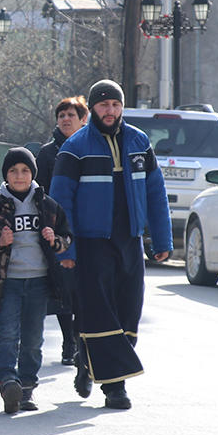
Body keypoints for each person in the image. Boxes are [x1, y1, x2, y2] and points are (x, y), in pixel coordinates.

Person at [49, 79, 171, 410]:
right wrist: (66, 249)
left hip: (128, 241)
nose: (110, 111)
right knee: (101, 313)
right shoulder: (75, 147)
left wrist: (161, 239)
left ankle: (88, 359)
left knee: (129, 311)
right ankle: (115, 387)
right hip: (91, 245)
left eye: (115, 105)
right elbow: (60, 203)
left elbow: (155, 193)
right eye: (104, 105)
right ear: (93, 109)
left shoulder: (139, 142)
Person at [0, 147, 71, 414]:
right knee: (6, 335)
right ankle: (7, 383)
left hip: (38, 281)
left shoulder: (47, 206)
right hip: (7, 283)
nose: (19, 176)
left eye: (25, 171)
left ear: (33, 174)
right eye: (14, 171)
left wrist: (55, 239)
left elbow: (66, 237)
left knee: (32, 339)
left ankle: (26, 388)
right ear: (6, 175)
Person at [32, 96, 89, 366]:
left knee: (83, 290)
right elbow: (38, 192)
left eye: (71, 115)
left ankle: (80, 340)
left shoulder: (92, 149)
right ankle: (69, 342)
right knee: (64, 288)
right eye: (62, 115)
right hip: (58, 230)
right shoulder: (47, 153)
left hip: (89, 228)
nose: (66, 119)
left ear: (83, 120)